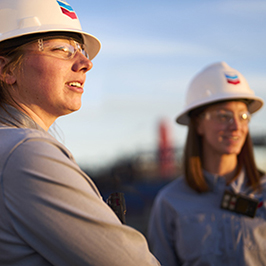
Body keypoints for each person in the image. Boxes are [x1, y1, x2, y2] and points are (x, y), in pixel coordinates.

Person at [0, 0, 161, 265]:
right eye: (62, 49)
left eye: (81, 50)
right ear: (6, 70)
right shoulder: (25, 154)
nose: (86, 63)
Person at [148, 61, 266, 266]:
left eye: (243, 116)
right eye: (224, 116)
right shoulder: (170, 203)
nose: (236, 126)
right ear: (198, 123)